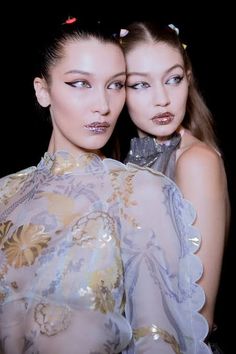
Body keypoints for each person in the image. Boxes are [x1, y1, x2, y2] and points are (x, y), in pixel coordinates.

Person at [0, 16, 212, 354]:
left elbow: (160, 341)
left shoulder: (140, 192)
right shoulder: (5, 193)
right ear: (43, 91)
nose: (103, 105)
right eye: (80, 83)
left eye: (115, 85)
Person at [118, 20, 230, 350]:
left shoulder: (196, 161)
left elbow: (200, 317)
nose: (163, 98)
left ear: (188, 79)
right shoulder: (127, 161)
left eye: (173, 79)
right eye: (140, 85)